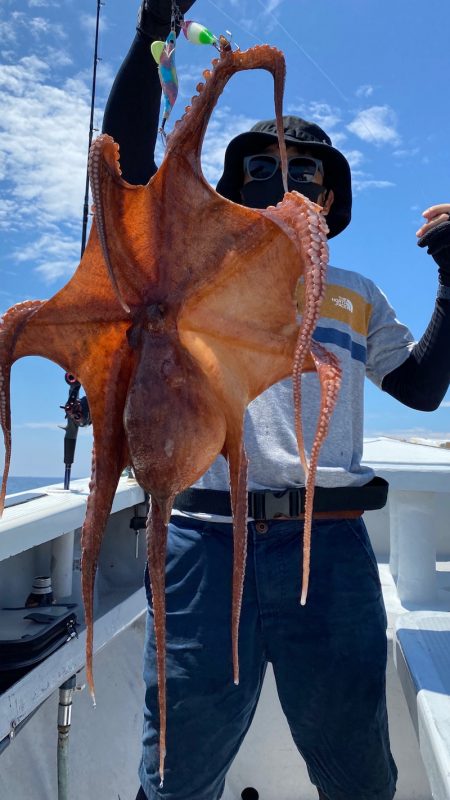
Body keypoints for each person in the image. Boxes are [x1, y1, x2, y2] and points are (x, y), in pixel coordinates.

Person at [102, 2, 450, 799]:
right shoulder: (191, 272)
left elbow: (423, 389)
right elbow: (126, 169)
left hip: (328, 553)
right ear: (233, 188)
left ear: (331, 200)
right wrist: (151, 22)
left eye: (309, 175)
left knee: (358, 773)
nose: (289, 186)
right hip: (199, 541)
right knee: (178, 770)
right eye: (263, 169)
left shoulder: (357, 296)